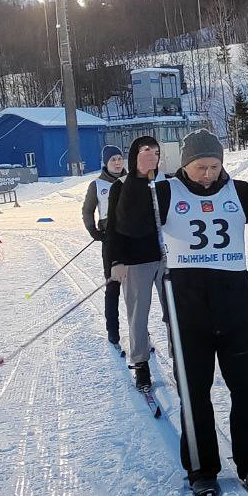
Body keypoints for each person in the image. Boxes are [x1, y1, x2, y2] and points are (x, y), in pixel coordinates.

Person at [110, 130, 248, 496]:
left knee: (246, 389)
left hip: (235, 305)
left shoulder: (238, 191)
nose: (208, 174)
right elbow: (129, 226)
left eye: (214, 166)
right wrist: (136, 177)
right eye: (200, 167)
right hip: (187, 310)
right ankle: (201, 468)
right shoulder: (164, 192)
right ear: (185, 165)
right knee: (195, 393)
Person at [104, 136, 169, 391]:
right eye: (145, 151)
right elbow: (114, 228)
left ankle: (180, 359)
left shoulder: (165, 183)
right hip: (135, 260)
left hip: (165, 259)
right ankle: (141, 363)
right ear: (135, 156)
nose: (151, 155)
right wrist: (115, 261)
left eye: (155, 150)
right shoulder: (122, 185)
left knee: (174, 313)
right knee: (138, 316)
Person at [83, 144, 125, 348]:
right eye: (113, 160)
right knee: (112, 286)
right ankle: (113, 329)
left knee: (135, 289)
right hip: (111, 240)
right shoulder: (98, 185)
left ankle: (140, 329)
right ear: (106, 163)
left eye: (119, 158)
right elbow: (87, 210)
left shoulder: (131, 180)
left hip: (132, 239)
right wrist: (93, 230)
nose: (117, 162)